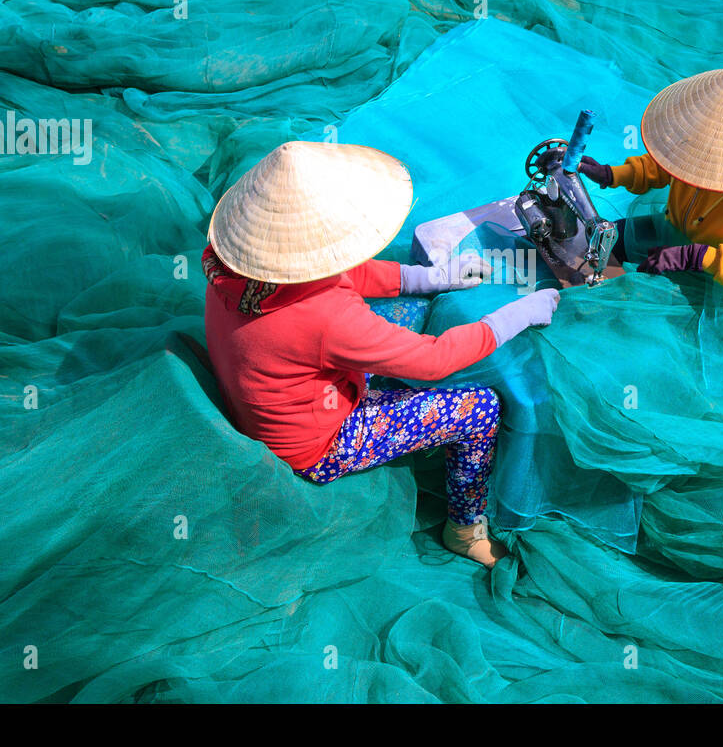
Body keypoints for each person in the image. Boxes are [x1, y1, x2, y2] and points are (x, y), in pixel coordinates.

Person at [202, 140, 559, 569]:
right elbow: (434, 361)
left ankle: (400, 388)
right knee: (479, 409)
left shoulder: (233, 262)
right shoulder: (326, 316)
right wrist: (514, 315)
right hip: (316, 442)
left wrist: (427, 277)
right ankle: (464, 529)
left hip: (283, 392)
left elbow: (338, 269)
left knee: (409, 311)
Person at [578, 68, 723, 290]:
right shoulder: (697, 144)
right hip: (672, 229)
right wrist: (611, 174)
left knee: (642, 300)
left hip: (716, 270)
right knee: (594, 245)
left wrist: (696, 257)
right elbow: (661, 165)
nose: (698, 156)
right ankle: (555, 293)